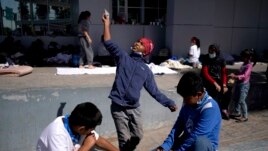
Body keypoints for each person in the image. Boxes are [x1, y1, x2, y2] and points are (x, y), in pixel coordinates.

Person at [102, 13, 178, 151]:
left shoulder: (146, 70)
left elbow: (154, 91)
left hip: (134, 108)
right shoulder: (123, 57)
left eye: (142, 43)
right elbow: (108, 42)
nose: (137, 43)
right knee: (124, 141)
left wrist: (169, 103)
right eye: (138, 41)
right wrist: (106, 25)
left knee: (138, 135)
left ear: (146, 51)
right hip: (118, 108)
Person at [157, 72, 222, 151]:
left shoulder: (210, 108)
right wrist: (166, 145)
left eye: (187, 98)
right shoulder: (188, 102)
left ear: (198, 94)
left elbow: (195, 137)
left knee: (199, 142)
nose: (184, 101)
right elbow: (178, 125)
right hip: (187, 142)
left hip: (201, 147)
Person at [36, 102, 118, 151]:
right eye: (92, 129)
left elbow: (98, 140)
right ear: (82, 129)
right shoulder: (57, 134)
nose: (92, 131)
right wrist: (86, 147)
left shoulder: (75, 123)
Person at [201, 44, 231, 120]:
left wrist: (224, 85)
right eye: (210, 50)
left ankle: (224, 109)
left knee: (227, 92)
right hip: (207, 80)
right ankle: (213, 113)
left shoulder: (221, 59)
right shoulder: (205, 58)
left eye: (213, 51)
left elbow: (224, 73)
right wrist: (215, 84)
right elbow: (205, 73)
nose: (211, 52)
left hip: (217, 79)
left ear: (217, 51)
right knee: (214, 95)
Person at [229, 49, 256, 122]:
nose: (242, 58)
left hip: (244, 85)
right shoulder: (244, 64)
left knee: (241, 100)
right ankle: (237, 112)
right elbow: (240, 71)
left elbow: (245, 76)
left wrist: (236, 77)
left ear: (248, 57)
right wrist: (234, 74)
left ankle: (245, 116)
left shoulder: (249, 66)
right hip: (239, 83)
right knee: (236, 98)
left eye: (244, 57)